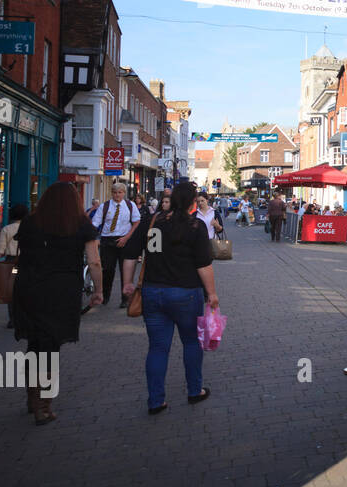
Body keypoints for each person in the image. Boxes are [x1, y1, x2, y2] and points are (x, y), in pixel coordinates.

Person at [123, 181, 218, 415]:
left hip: (153, 292)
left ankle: (156, 401)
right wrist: (212, 294)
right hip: (186, 293)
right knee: (191, 342)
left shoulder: (152, 222)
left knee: (157, 348)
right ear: (192, 202)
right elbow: (203, 265)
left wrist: (127, 282)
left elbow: (130, 254)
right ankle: (195, 391)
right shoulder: (196, 227)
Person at [12, 182, 103, 424]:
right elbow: (94, 262)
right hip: (60, 291)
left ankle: (33, 399)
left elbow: (20, 253)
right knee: (51, 347)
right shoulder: (81, 224)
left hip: (29, 288)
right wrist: (99, 290)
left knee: (34, 343)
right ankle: (44, 405)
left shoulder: (31, 221)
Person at [88, 182, 142, 307]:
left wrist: (127, 237)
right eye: (114, 192)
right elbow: (95, 223)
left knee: (125, 271)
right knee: (107, 269)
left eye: (120, 192)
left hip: (124, 239)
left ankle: (125, 298)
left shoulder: (130, 205)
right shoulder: (105, 206)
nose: (117, 195)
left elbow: (136, 221)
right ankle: (105, 295)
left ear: (124, 193)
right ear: (111, 193)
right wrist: (92, 236)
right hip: (108, 240)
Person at [0, 203, 29, 328]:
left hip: (12, 263)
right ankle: (25, 318)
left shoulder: (7, 229)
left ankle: (13, 319)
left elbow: (0, 249)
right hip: (27, 262)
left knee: (11, 289)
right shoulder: (30, 228)